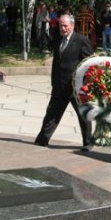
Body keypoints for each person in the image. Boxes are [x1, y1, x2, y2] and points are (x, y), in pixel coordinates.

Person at [34, 14, 94, 151]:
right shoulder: (58, 39)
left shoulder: (81, 40)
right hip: (59, 86)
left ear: (72, 26)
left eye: (65, 25)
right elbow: (57, 62)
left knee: (84, 115)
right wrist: (54, 82)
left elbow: (89, 64)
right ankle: (42, 140)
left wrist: (84, 84)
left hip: (76, 87)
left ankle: (88, 143)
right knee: (52, 114)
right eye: (61, 25)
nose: (63, 28)